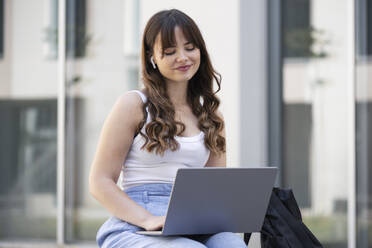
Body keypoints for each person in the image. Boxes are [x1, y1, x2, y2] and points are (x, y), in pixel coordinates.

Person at [89, 9, 247, 248]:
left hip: (193, 222)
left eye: (190, 47)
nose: (183, 57)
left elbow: (214, 191)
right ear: (153, 57)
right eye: (170, 51)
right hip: (136, 223)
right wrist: (148, 219)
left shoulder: (212, 116)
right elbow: (99, 181)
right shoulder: (133, 105)